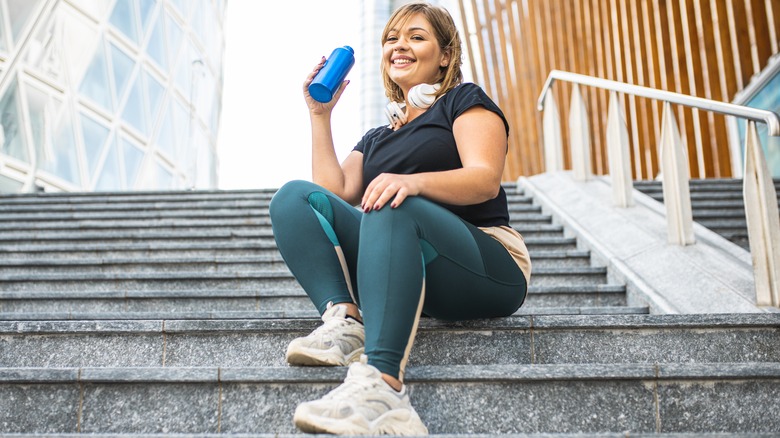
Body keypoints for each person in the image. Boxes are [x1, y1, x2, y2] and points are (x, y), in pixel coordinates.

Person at [268, 2, 531, 435]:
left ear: (445, 55)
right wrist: (320, 116)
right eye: (391, 39)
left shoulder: (464, 101)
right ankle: (345, 319)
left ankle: (383, 387)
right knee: (293, 197)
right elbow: (332, 194)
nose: (399, 46)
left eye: (415, 36)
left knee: (392, 199)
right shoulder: (377, 137)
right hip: (410, 261)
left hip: (488, 266)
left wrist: (412, 183)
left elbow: (484, 179)